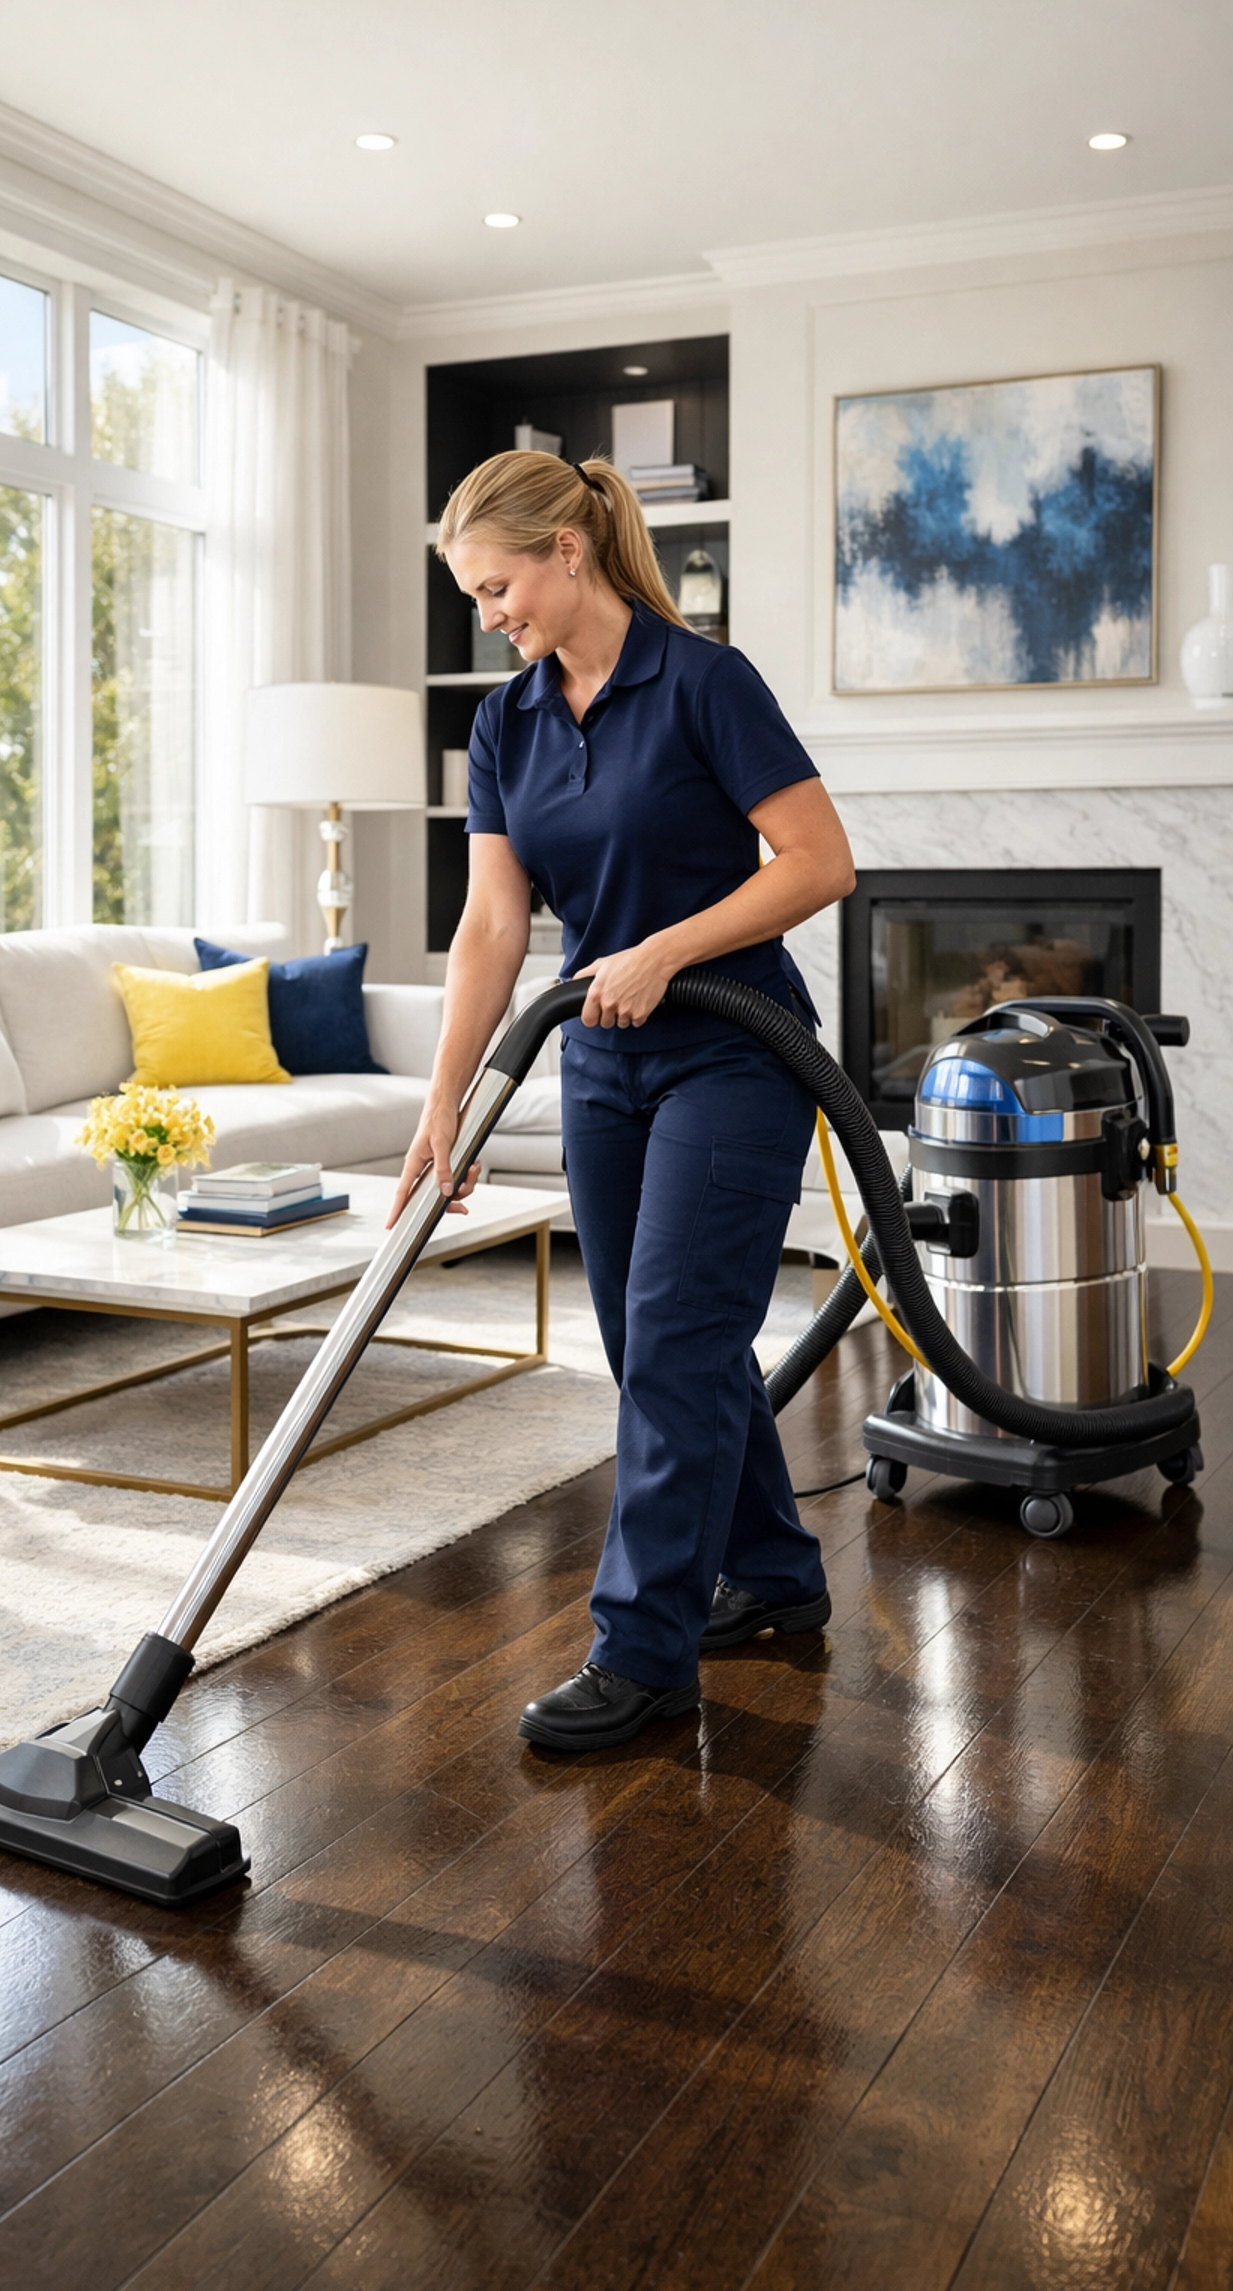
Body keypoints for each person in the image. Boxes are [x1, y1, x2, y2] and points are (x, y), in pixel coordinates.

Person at [390, 449, 856, 1752]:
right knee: (657, 1341)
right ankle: (774, 1575)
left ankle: (643, 1655)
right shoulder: (507, 722)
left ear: (568, 550)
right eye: (473, 599)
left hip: (734, 1047)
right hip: (598, 1060)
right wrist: (445, 1106)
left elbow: (820, 863)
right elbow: (492, 926)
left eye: (497, 589)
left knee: (674, 1340)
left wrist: (664, 952)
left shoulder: (705, 681)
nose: (489, 618)